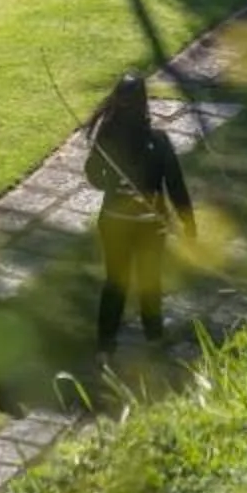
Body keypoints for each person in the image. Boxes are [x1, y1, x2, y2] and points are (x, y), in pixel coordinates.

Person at [84, 72, 196, 351]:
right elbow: (175, 185)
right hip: (148, 224)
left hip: (114, 223)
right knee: (149, 280)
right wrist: (187, 222)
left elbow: (92, 173)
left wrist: (111, 182)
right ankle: (154, 337)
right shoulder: (157, 142)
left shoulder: (107, 137)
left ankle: (105, 345)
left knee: (116, 282)